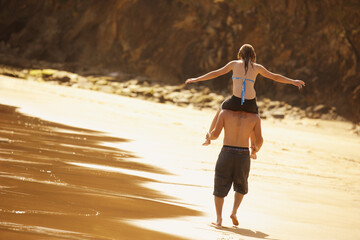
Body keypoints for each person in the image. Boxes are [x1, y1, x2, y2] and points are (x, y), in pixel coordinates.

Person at [185, 44, 305, 146]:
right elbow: (275, 77)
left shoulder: (234, 64)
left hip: (235, 100)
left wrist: (196, 79)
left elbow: (216, 73)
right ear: (253, 55)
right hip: (250, 102)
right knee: (255, 120)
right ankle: (254, 149)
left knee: (221, 108)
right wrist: (293, 81)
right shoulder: (258, 67)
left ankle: (209, 138)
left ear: (240, 54)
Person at [207, 109, 263, 227]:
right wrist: (255, 148)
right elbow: (260, 140)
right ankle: (233, 212)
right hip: (243, 154)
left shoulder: (225, 113)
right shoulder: (254, 117)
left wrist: (209, 136)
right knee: (241, 184)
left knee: (220, 184)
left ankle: (219, 219)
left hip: (226, 151)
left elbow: (215, 135)